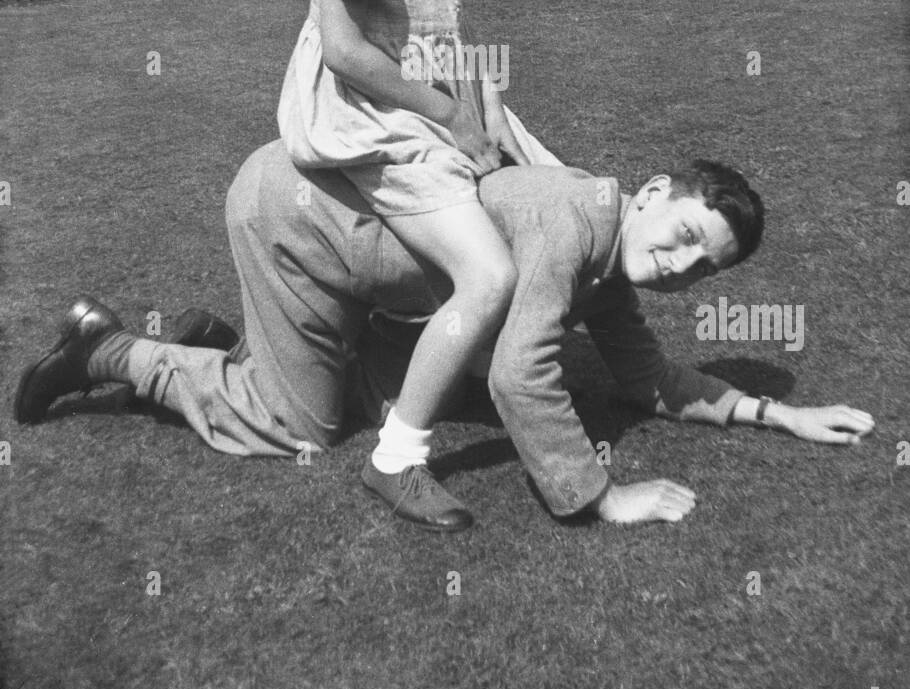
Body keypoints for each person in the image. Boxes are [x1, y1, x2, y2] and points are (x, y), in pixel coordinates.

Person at [14, 150, 874, 531]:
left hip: (358, 255)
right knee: (302, 429)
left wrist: (776, 416)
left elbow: (645, 376)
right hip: (299, 224)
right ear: (653, 191)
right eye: (686, 234)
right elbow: (518, 374)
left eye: (704, 269)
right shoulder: (570, 224)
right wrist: (601, 494)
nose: (683, 265)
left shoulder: (613, 252)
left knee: (373, 384)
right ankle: (106, 349)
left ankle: (231, 350)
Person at [274, 0, 550, 525]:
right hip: (376, 114)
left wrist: (485, 104)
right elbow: (350, 51)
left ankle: (484, 371)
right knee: (489, 272)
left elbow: (443, 19)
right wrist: (445, 114)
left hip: (435, 94)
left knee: (550, 189)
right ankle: (398, 456)